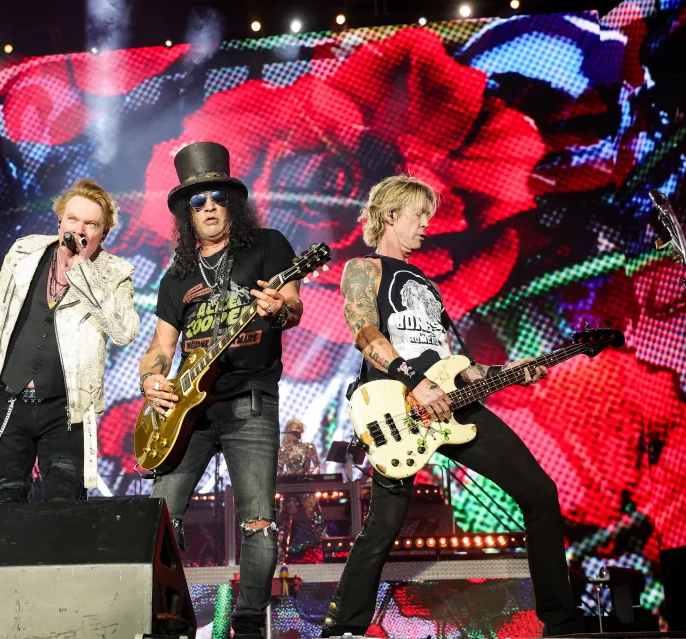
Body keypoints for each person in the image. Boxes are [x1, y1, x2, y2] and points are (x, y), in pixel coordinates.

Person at [321, 175, 581, 637]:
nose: (426, 225)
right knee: (384, 524)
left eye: (428, 217)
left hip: (450, 404)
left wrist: (506, 370)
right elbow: (364, 333)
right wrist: (413, 382)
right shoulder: (365, 269)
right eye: (419, 216)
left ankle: (561, 622)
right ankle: (345, 625)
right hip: (396, 408)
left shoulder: (427, 285)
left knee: (540, 493)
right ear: (390, 215)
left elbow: (452, 364)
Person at [139, 141, 304, 638]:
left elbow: (293, 307)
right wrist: (151, 379)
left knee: (258, 521)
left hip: (250, 399)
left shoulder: (267, 246)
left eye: (217, 197)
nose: (209, 206)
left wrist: (279, 308)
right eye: (197, 201)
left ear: (232, 203)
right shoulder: (177, 278)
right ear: (186, 215)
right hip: (187, 412)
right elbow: (160, 348)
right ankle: (169, 620)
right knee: (159, 517)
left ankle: (248, 624)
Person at [0, 178, 139, 503]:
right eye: (73, 219)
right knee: (5, 504)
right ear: (60, 221)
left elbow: (124, 331)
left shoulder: (114, 273)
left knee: (63, 510)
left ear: (104, 233)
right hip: (8, 402)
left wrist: (83, 274)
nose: (80, 228)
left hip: (67, 412)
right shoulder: (25, 252)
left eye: (91, 223)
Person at [277, 419, 326, 564]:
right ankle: (280, 557)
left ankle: (325, 552)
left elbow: (318, 466)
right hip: (289, 488)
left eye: (298, 431)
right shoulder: (283, 449)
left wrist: (310, 476)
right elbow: (279, 470)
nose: (296, 434)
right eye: (294, 431)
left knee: (317, 520)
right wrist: (285, 477)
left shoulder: (308, 447)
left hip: (305, 487)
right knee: (283, 523)